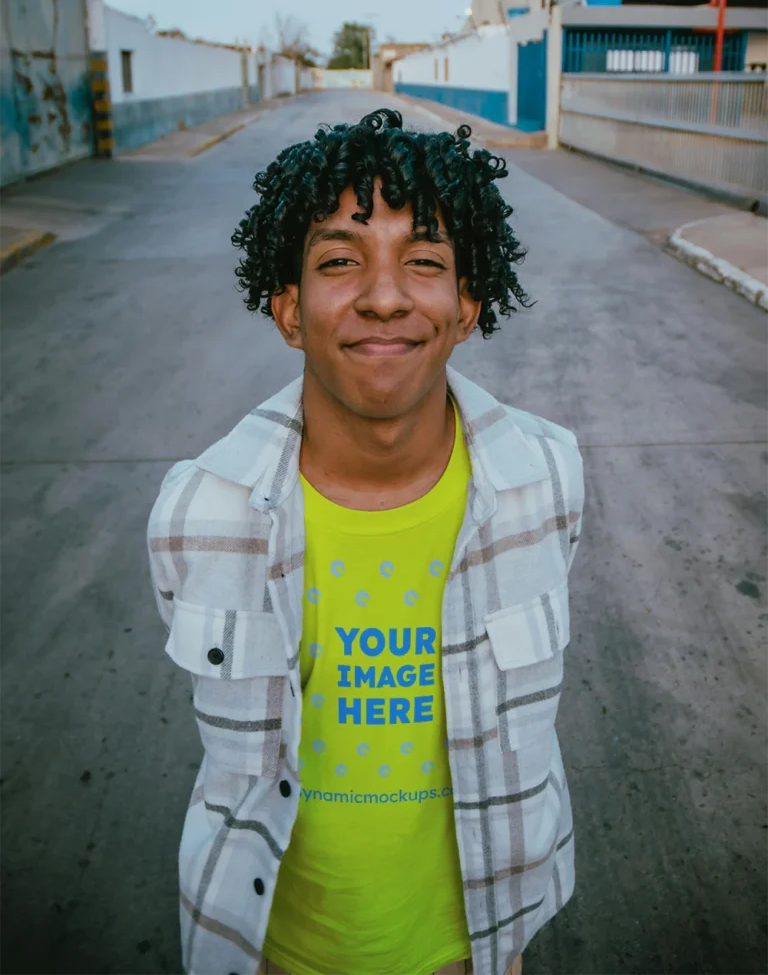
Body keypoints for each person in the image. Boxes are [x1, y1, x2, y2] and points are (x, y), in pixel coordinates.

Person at [148, 108, 584, 975]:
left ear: (466, 305)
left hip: (478, 946)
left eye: (423, 261)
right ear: (288, 309)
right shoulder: (201, 511)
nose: (384, 295)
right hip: (269, 950)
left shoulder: (546, 478)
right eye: (339, 261)